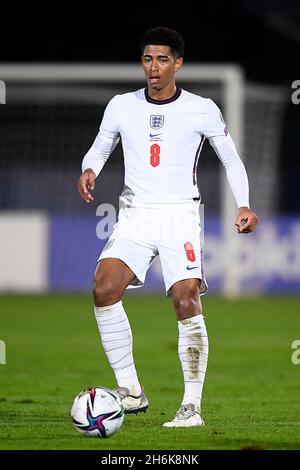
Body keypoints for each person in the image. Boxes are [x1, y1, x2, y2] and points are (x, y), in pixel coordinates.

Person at [77, 26, 259, 428]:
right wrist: (89, 168)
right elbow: (102, 144)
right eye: (147, 58)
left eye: (162, 59)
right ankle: (131, 390)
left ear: (178, 63)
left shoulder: (202, 108)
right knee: (104, 288)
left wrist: (244, 204)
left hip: (179, 214)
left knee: (185, 299)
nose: (153, 67)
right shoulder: (121, 105)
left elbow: (231, 160)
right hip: (135, 213)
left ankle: (191, 406)